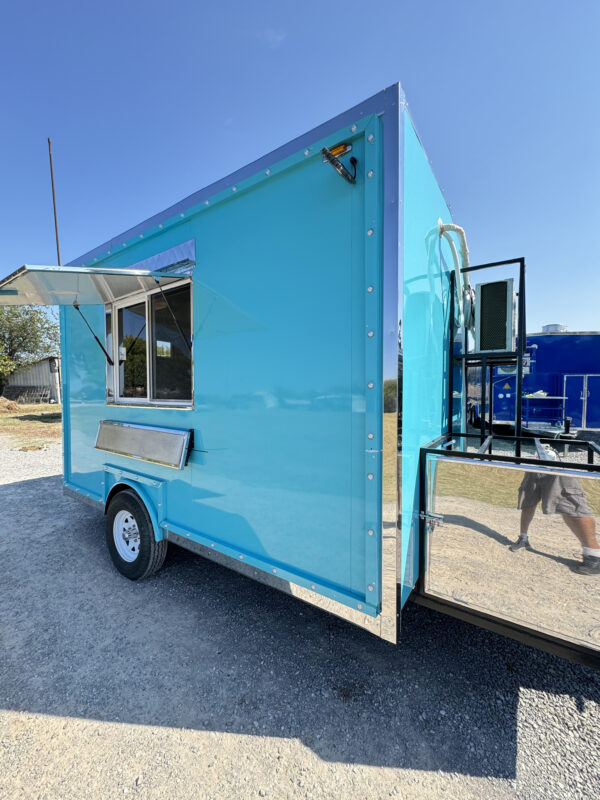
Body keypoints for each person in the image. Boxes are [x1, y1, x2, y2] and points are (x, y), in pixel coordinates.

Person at [509, 452, 600, 575]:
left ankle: (593, 556)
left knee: (570, 504)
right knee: (528, 500)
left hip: (558, 461)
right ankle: (523, 538)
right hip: (535, 459)